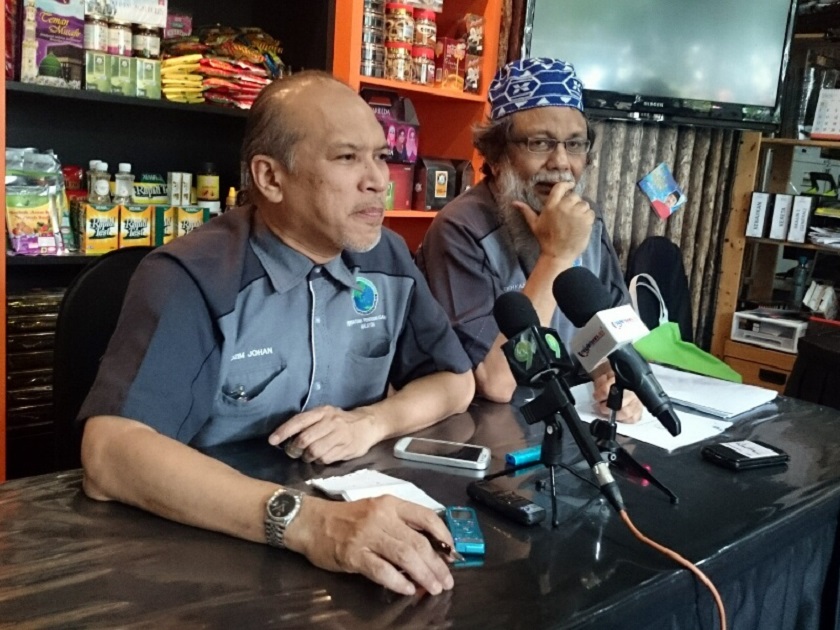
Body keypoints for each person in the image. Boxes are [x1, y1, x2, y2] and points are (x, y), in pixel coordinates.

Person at [79, 71, 475, 597]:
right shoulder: (194, 277)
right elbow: (109, 455)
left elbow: (456, 380)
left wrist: (371, 422)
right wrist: (306, 523)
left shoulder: (387, 258)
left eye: (381, 156)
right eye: (347, 157)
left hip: (351, 539)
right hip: (209, 555)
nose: (379, 180)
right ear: (270, 178)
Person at [416, 58, 641, 421]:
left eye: (575, 144)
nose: (562, 163)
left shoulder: (587, 219)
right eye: (540, 143)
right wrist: (556, 255)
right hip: (488, 426)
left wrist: (612, 375)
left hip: (574, 412)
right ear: (497, 154)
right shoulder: (459, 228)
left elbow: (612, 330)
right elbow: (498, 382)